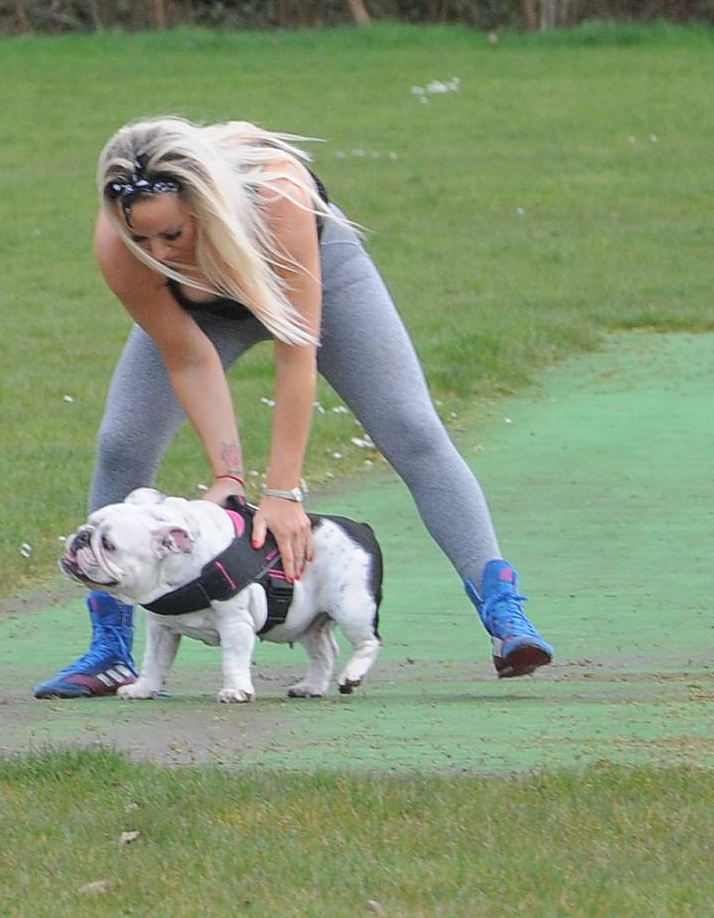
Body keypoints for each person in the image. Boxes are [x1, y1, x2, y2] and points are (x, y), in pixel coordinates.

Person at [33, 117, 553, 698]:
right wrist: (228, 476)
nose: (158, 254)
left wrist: (282, 494)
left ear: (207, 206)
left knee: (411, 429)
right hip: (205, 316)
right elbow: (190, 362)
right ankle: (111, 648)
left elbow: (295, 353)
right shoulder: (121, 245)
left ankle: (505, 614)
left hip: (316, 278)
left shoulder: (277, 195)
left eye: (173, 235)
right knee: (122, 445)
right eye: (142, 240)